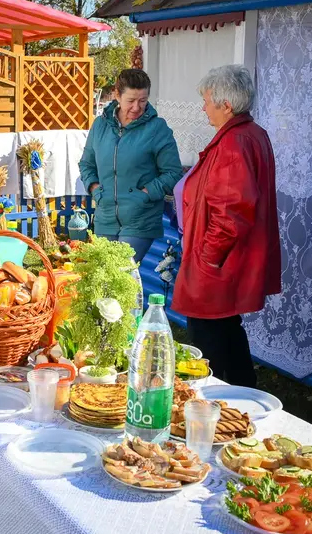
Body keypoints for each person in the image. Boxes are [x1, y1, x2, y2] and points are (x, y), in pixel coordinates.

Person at [172, 64, 281, 388]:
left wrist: (206, 258)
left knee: (209, 340)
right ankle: (244, 396)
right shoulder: (251, 134)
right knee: (228, 331)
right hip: (229, 261)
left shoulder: (234, 143)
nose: (203, 107)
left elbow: (231, 212)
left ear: (226, 105)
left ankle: (214, 404)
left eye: (207, 101)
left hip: (219, 265)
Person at [78, 69, 182, 263]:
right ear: (117, 95)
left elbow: (173, 172)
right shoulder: (100, 125)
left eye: (143, 100)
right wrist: (95, 188)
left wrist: (145, 194)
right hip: (105, 216)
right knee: (105, 278)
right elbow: (86, 164)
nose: (137, 107)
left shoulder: (157, 128)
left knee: (122, 273)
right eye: (131, 100)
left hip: (141, 218)